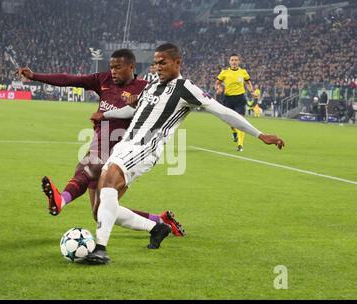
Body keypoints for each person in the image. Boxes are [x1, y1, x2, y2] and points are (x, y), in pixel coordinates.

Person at [82, 43, 285, 265]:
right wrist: (107, 114)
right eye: (155, 63)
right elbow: (134, 110)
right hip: (124, 145)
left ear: (177, 62)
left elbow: (223, 111)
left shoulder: (185, 88)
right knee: (101, 207)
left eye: (163, 62)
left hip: (145, 148)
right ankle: (157, 227)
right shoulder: (150, 87)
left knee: (110, 181)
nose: (157, 67)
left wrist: (260, 134)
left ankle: (100, 250)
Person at [17, 49, 185, 237]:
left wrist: (139, 107)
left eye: (118, 67)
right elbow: (71, 79)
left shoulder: (146, 88)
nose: (113, 71)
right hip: (101, 137)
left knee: (89, 164)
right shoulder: (103, 80)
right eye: (111, 67)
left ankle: (61, 200)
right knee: (100, 213)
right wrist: (35, 76)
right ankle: (161, 220)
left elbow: (162, 107)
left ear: (131, 67)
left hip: (124, 146)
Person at [216, 54, 256, 152]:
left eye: (236, 60)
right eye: (232, 60)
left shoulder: (243, 72)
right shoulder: (224, 72)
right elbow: (217, 83)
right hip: (228, 99)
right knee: (230, 121)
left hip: (240, 99)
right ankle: (234, 132)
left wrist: (252, 91)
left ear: (239, 62)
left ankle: (240, 145)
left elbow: (248, 82)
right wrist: (218, 88)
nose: (234, 62)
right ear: (229, 61)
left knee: (241, 121)